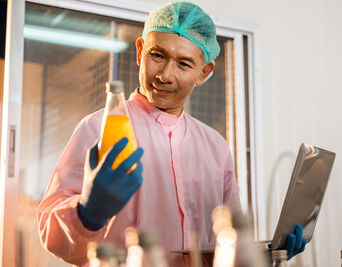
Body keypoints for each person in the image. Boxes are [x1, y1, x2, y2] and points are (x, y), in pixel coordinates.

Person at [37, 2, 306, 266]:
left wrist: (269, 256)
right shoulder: (99, 128)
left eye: (184, 64)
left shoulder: (215, 147)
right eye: (158, 55)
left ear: (204, 73)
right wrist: (87, 213)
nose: (166, 75)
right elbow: (51, 234)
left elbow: (228, 241)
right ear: (141, 51)